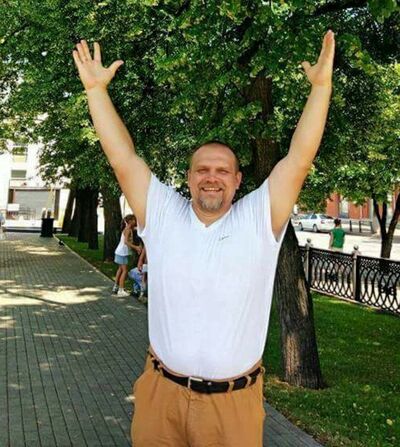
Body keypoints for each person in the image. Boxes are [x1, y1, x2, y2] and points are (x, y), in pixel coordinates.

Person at [73, 29, 335, 446]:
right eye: (202, 170)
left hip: (232, 407)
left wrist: (320, 88)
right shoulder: (164, 213)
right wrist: (96, 92)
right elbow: (123, 158)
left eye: (222, 170)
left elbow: (298, 159)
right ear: (189, 178)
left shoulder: (258, 218)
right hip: (161, 396)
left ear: (238, 180)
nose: (212, 177)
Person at [113, 214, 142, 297]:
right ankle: (121, 290)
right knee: (124, 271)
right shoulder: (128, 230)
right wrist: (136, 247)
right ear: (130, 221)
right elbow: (126, 242)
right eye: (134, 220)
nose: (136, 221)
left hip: (120, 252)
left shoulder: (129, 228)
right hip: (122, 253)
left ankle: (115, 287)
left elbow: (137, 229)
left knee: (120, 269)